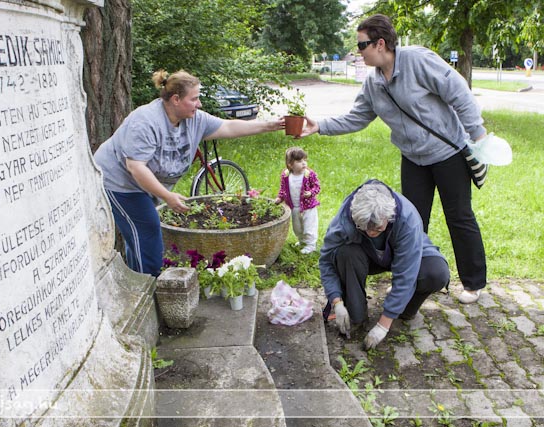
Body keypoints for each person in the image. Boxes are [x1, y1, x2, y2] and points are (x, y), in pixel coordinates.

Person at [299, 14, 487, 304]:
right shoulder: (374, 83)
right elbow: (357, 117)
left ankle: (473, 283)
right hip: (413, 159)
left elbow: (458, 93)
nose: (358, 51)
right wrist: (320, 126)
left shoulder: (417, 60)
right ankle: (408, 279)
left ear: (380, 43)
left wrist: (478, 134)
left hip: (447, 153)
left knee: (459, 216)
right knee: (411, 220)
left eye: (362, 45)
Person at [94, 69, 284, 277]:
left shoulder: (195, 120)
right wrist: (167, 196)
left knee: (140, 237)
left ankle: (138, 280)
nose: (199, 104)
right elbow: (136, 167)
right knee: (147, 228)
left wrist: (270, 125)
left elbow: (228, 127)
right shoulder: (145, 121)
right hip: (119, 182)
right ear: (176, 99)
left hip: (145, 184)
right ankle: (151, 285)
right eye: (194, 99)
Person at [320, 180, 450, 349]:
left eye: (377, 229)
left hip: (404, 252)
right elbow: (326, 260)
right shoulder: (345, 219)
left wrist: (383, 325)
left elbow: (406, 274)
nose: (371, 233)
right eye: (365, 228)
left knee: (436, 273)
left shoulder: (407, 219)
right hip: (365, 255)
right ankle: (357, 315)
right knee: (345, 254)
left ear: (389, 217)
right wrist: (336, 301)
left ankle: (404, 309)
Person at [275, 147, 320, 254]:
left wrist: (310, 193)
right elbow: (283, 189)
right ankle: (302, 240)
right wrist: (280, 198)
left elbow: (317, 186)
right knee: (297, 227)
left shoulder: (309, 174)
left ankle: (311, 245)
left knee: (309, 226)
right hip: (294, 207)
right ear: (290, 164)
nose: (304, 163)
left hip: (308, 207)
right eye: (299, 161)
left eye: (305, 160)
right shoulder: (286, 175)